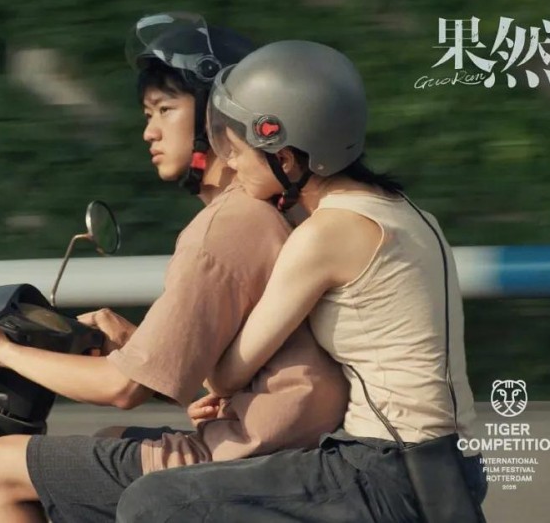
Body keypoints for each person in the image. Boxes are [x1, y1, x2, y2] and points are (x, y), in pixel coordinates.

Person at [0, 17, 348, 523]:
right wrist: (134, 340)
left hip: (250, 460)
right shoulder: (265, 211)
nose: (149, 131)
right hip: (284, 445)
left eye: (165, 110)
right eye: (148, 113)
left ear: (215, 116)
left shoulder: (227, 225)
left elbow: (121, 389)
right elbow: (218, 358)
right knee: (111, 441)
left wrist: (3, 350)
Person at [115, 40, 488, 522]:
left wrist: (138, 343)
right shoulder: (410, 214)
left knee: (154, 500)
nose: (232, 165)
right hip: (453, 464)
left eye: (239, 151)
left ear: (286, 158)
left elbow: (225, 374)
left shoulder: (323, 235)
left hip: (389, 471)